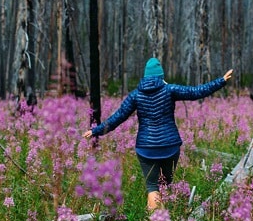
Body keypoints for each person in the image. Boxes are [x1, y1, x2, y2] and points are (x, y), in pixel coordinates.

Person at [83, 58, 234, 210]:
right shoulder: (170, 90)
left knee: (152, 187)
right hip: (170, 146)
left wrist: (95, 131)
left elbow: (118, 117)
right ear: (161, 76)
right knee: (166, 185)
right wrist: (221, 81)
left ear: (145, 76)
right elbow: (196, 92)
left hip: (146, 148)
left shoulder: (136, 95)